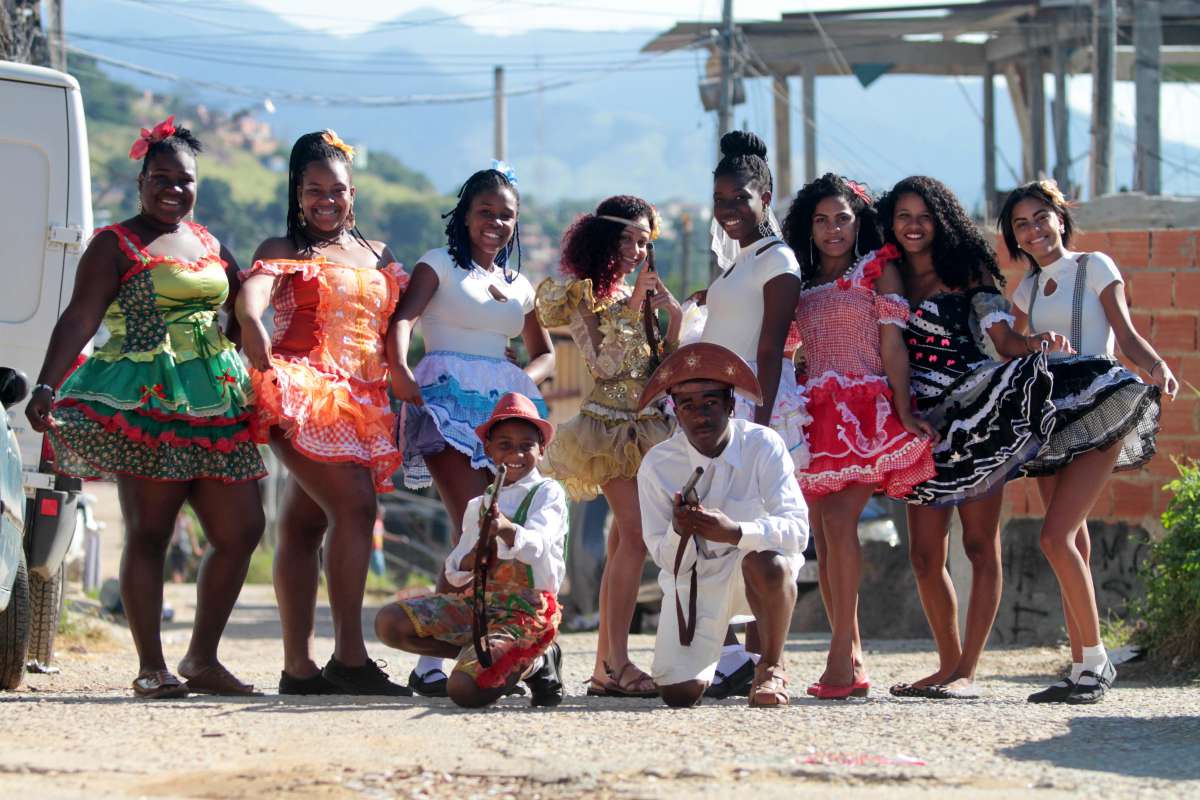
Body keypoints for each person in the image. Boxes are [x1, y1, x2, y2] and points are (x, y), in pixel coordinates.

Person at [25, 116, 265, 699]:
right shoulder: (114, 244)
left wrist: (248, 351)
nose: (173, 189)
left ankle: (202, 658)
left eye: (184, 180)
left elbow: (240, 309)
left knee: (242, 529)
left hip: (215, 400)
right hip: (146, 399)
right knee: (151, 532)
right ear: (141, 181)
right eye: (161, 178)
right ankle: (151, 666)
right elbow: (79, 318)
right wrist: (47, 385)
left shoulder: (210, 243)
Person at [236, 130, 410, 696]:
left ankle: (298, 668)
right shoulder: (283, 247)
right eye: (314, 190)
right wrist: (252, 322)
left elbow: (407, 318)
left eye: (336, 190)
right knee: (355, 508)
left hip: (364, 400)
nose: (326, 200)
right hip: (301, 389)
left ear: (352, 192)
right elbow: (254, 292)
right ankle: (350, 659)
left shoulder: (381, 255)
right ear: (298, 193)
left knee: (306, 522)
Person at [879, 176, 1062, 699]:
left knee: (980, 545)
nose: (914, 226)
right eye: (904, 216)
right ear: (890, 223)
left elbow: (1002, 338)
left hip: (977, 415)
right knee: (923, 556)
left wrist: (1033, 344)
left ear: (941, 221)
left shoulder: (968, 270)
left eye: (924, 216)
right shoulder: (884, 275)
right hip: (917, 425)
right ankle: (946, 664)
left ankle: (967, 670)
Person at [1000, 180, 1174, 704]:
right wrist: (1029, 343)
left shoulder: (1094, 266)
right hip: (1050, 413)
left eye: (1040, 217)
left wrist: (1156, 365)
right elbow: (1013, 349)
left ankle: (1097, 663)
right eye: (1021, 225)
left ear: (1060, 217)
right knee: (1072, 540)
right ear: (1015, 238)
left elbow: (1124, 333)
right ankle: (1081, 667)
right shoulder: (1026, 290)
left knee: (1054, 537)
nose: (1033, 230)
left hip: (1101, 403)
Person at [391, 164, 555, 696]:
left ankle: (459, 657)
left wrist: (519, 383)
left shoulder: (519, 285)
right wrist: (400, 368)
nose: (496, 222)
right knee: (473, 521)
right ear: (464, 215)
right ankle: (439, 659)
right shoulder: (437, 264)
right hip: (443, 403)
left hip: (502, 418)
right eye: (486, 211)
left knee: (486, 529)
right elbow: (403, 319)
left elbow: (546, 354)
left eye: (506, 215)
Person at [782, 174, 936, 699]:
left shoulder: (877, 268)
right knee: (824, 537)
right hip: (815, 417)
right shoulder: (800, 281)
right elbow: (785, 347)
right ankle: (851, 657)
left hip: (866, 411)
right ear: (809, 227)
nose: (833, 230)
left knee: (839, 521)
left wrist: (904, 407)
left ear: (858, 221)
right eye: (821, 221)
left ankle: (839, 655)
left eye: (842, 219)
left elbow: (893, 345)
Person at [535, 195, 680, 698]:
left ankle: (605, 666)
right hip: (610, 430)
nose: (638, 251)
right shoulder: (582, 294)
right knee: (635, 539)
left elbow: (659, 365)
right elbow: (604, 366)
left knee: (624, 541)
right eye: (629, 240)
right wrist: (637, 303)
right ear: (604, 239)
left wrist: (673, 316)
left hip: (650, 426)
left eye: (645, 242)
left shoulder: (636, 294)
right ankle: (616, 662)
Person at [692, 131, 809, 698]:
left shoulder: (778, 260)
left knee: (760, 536)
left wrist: (756, 430)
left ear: (766, 195)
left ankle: (769, 663)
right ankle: (737, 659)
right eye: (720, 200)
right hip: (720, 405)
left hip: (754, 406)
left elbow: (769, 347)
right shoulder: (739, 261)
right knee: (719, 534)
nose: (729, 209)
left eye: (740, 198)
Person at [636, 343, 809, 708]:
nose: (700, 415)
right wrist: (680, 530)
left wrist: (735, 532)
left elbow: (798, 529)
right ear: (676, 411)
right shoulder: (657, 465)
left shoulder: (762, 444)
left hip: (753, 574)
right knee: (679, 694)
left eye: (711, 402)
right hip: (696, 585)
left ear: (731, 404)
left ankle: (771, 666)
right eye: (688, 405)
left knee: (770, 563)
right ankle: (733, 662)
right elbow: (666, 562)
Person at [374, 392, 568, 708]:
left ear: (541, 449)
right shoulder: (479, 504)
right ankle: (483, 655)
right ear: (488, 449)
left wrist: (504, 529)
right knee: (390, 623)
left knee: (463, 690)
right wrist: (476, 553)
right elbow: (455, 570)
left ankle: (537, 661)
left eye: (526, 445)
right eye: (504, 445)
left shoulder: (548, 493)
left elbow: (538, 546)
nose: (516, 453)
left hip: (525, 613)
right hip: (478, 607)